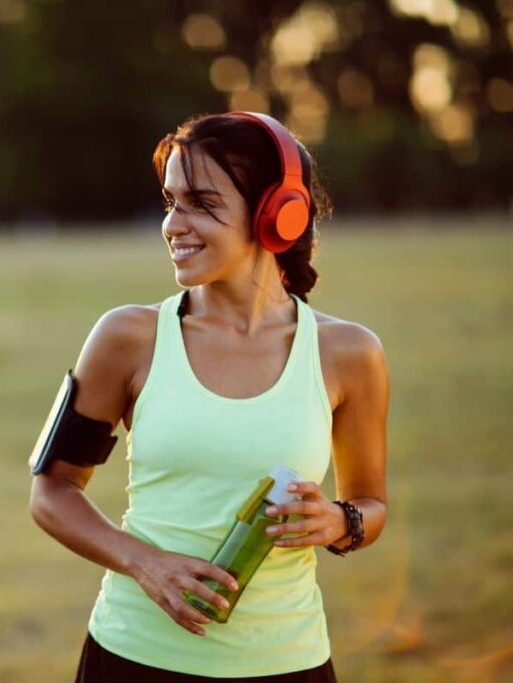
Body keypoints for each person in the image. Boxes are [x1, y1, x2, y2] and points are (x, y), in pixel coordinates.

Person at [28, 112, 389, 682]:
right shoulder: (126, 337)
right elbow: (51, 490)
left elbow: (372, 506)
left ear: (277, 214)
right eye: (171, 202)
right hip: (134, 657)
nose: (174, 224)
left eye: (201, 202)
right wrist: (146, 564)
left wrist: (337, 521)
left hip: (287, 662)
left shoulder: (350, 354)